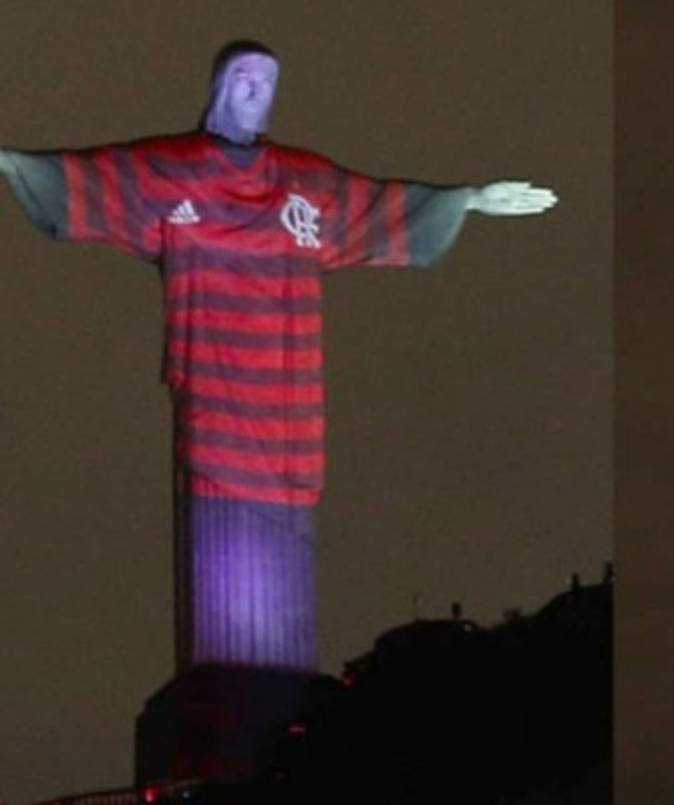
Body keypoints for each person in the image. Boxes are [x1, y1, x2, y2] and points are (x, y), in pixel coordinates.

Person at [0, 40, 558, 671]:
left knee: (284, 541)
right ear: (217, 85)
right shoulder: (171, 167)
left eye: (268, 81)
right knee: (222, 554)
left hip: (288, 397)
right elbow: (89, 177)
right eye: (243, 76)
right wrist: (10, 163)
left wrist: (467, 198)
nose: (255, 90)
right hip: (212, 389)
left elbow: (378, 204)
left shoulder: (304, 181)